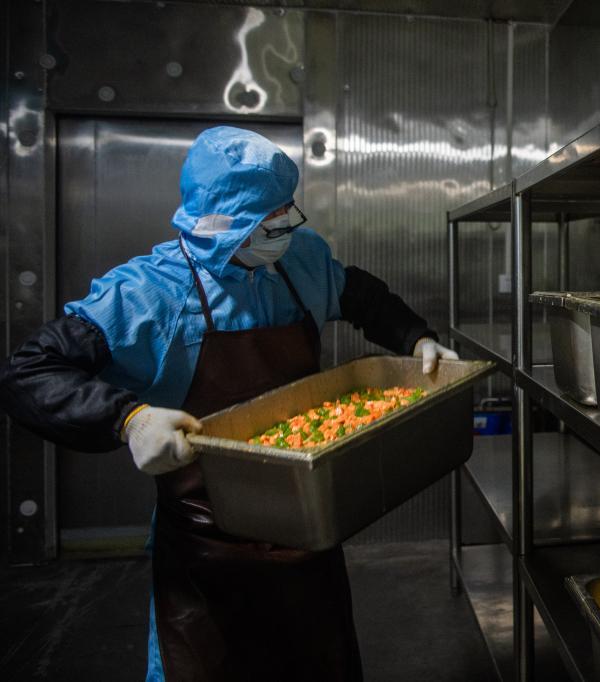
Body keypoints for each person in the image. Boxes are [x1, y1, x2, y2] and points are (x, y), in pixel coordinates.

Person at [0, 126, 458, 681]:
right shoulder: (149, 293)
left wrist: (415, 337)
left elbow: (359, 294)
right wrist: (129, 419)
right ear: (224, 223)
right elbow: (29, 372)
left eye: (287, 210)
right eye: (270, 217)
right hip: (207, 547)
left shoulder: (299, 260)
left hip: (307, 530)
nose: (285, 223)